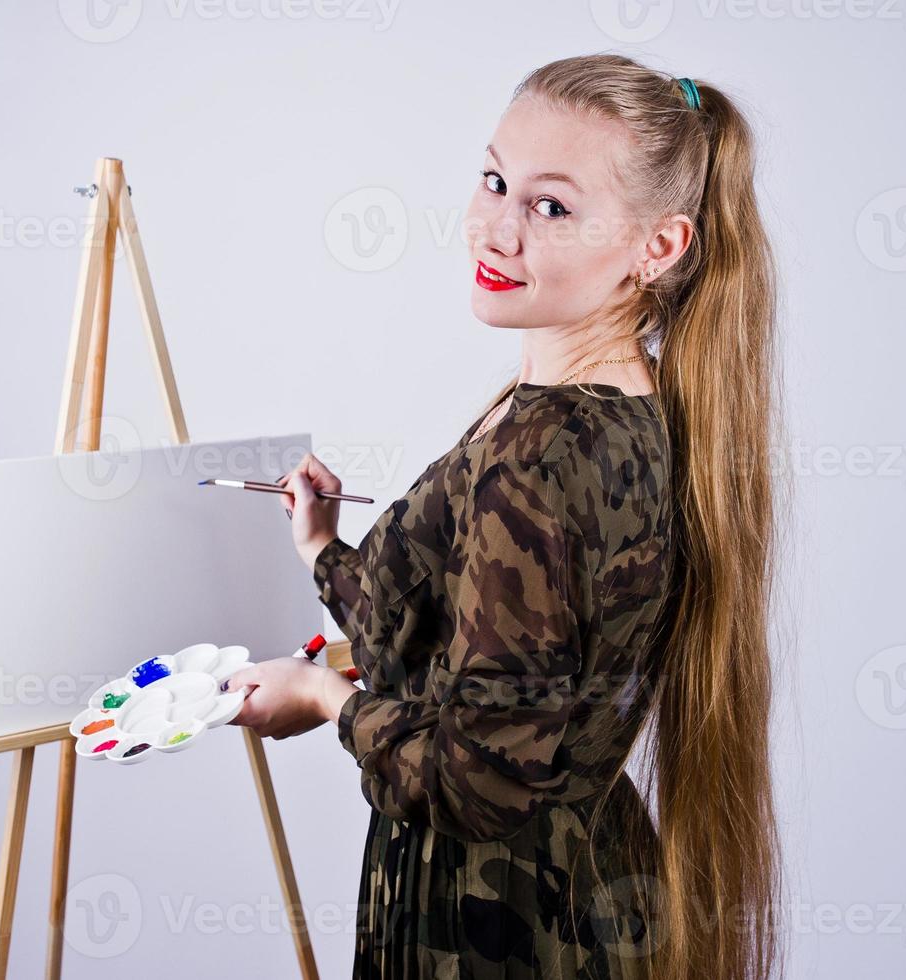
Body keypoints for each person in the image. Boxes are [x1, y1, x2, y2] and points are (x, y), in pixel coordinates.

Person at [226, 52, 782, 980]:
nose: (495, 227)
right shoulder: (624, 408)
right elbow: (466, 648)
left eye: (551, 206)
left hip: (493, 927)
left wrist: (325, 698)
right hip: (580, 891)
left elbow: (476, 780)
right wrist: (324, 547)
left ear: (659, 247)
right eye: (495, 181)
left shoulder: (539, 452)